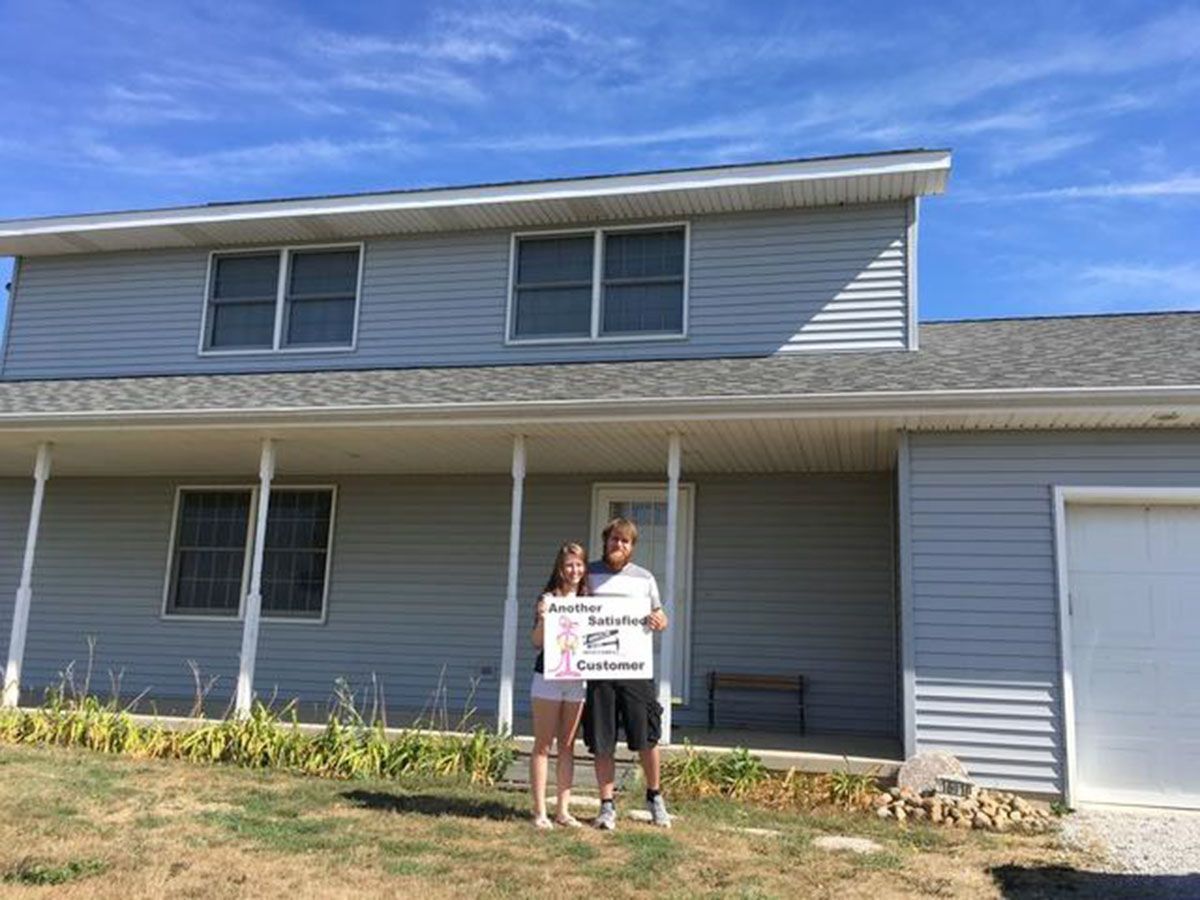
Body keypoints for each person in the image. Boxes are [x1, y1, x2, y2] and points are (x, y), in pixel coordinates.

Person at [584, 517, 671, 830]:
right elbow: (570, 606)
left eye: (625, 541)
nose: (618, 545)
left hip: (635, 668)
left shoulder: (645, 578)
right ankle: (607, 806)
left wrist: (660, 619)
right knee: (602, 739)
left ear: (632, 547)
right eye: (613, 539)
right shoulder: (588, 574)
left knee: (647, 736)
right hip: (599, 671)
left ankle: (654, 796)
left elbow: (659, 615)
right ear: (605, 541)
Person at [529, 542, 590, 829]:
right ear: (560, 568)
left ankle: (563, 811)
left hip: (577, 681)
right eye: (569, 564)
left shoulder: (591, 601)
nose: (574, 570)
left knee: (567, 745)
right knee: (543, 744)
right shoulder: (548, 598)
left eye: (579, 564)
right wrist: (543, 619)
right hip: (548, 679)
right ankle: (540, 811)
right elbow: (537, 643)